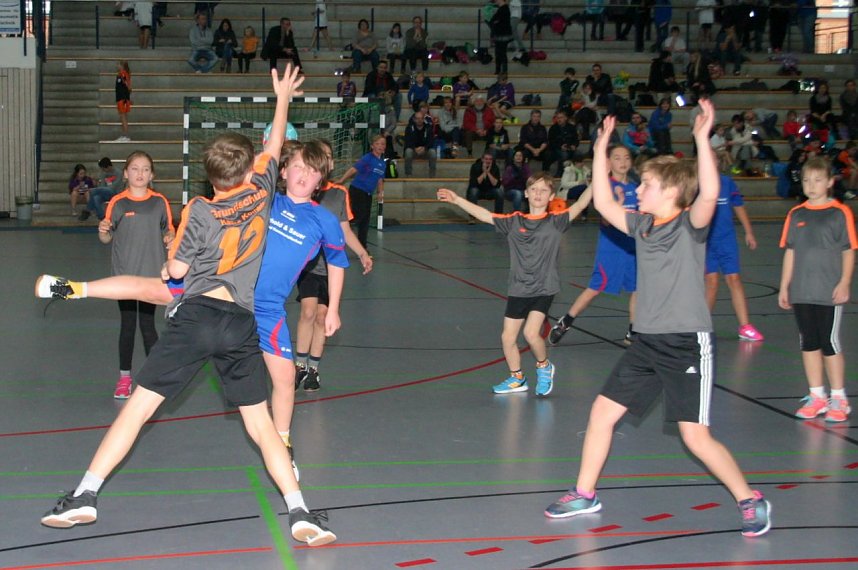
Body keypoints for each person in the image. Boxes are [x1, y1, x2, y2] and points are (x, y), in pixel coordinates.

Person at [39, 65, 339, 547]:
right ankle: (300, 512)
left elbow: (175, 272)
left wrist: (172, 265)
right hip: (240, 324)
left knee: (136, 410)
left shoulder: (198, 210)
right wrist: (281, 98)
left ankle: (84, 495)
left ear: (212, 176)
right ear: (249, 171)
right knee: (262, 428)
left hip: (196, 315)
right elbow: (275, 143)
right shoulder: (263, 192)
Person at [544, 100, 772, 539]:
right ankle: (585, 493)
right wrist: (599, 149)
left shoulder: (691, 224)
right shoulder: (642, 225)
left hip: (686, 343)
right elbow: (607, 205)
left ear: (671, 192)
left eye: (646, 184)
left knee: (695, 437)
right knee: (601, 413)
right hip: (646, 343)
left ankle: (751, 499)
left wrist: (702, 140)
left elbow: (707, 193)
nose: (639, 191)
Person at [437, 173, 592, 396]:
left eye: (544, 190)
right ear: (526, 194)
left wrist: (598, 179)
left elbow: (582, 203)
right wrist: (457, 200)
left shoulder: (556, 222)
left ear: (551, 196)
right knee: (507, 338)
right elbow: (485, 215)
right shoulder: (514, 221)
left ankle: (544, 366)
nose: (538, 194)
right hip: (519, 288)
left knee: (530, 333)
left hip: (544, 288)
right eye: (534, 190)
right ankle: (517, 378)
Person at [779, 156, 856, 423]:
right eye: (807, 180)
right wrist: (784, 286)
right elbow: (790, 251)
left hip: (828, 291)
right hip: (802, 290)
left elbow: (848, 251)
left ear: (830, 182)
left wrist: (844, 282)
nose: (812, 186)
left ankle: (839, 398)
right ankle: (817, 396)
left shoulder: (839, 212)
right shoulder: (796, 214)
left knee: (829, 343)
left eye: (818, 180)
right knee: (808, 342)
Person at [294, 141, 373, 392]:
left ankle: (313, 370)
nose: (326, 160)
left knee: (321, 317)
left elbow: (344, 229)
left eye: (329, 156)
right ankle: (299, 366)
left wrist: (362, 252)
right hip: (307, 264)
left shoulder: (339, 192)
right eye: (321, 156)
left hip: (330, 268)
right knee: (307, 311)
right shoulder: (305, 189)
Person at [99, 151, 173, 399]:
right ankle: (124, 378)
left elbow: (169, 232)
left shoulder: (160, 202)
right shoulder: (118, 203)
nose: (140, 173)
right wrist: (103, 231)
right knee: (128, 326)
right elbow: (106, 238)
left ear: (152, 175)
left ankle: (153, 379)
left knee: (148, 326)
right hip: (125, 277)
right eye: (134, 168)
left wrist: (170, 238)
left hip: (152, 276)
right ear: (126, 173)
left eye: (145, 169)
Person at [549, 144, 638, 345]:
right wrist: (621, 206)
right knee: (596, 287)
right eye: (617, 158)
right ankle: (567, 320)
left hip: (632, 248)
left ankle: (633, 331)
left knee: (637, 288)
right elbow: (607, 219)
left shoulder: (634, 188)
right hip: (612, 247)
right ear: (608, 162)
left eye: (626, 158)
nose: (622, 162)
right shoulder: (605, 187)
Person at [705, 173, 764, 341]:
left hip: (726, 239)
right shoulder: (697, 182)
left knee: (734, 279)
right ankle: (702, 326)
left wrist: (749, 232)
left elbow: (738, 205)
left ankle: (745, 326)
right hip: (706, 241)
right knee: (711, 282)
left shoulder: (726, 182)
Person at [335, 134, 386, 248]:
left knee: (365, 221)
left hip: (368, 193)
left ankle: (363, 247)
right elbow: (354, 169)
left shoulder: (382, 163)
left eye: (382, 144)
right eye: (377, 144)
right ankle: (340, 227)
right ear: (372, 146)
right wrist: (342, 180)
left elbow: (380, 179)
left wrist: (380, 192)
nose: (380, 146)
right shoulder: (368, 158)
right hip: (358, 190)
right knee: (359, 215)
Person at [80, 157, 126, 221]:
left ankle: (87, 209)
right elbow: (102, 185)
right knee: (96, 197)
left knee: (105, 190)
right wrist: (101, 189)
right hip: (104, 193)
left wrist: (99, 189)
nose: (103, 170)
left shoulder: (119, 173)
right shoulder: (103, 173)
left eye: (104, 168)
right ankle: (102, 217)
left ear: (109, 167)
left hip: (116, 193)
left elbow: (113, 187)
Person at [403, 109, 437, 177]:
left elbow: (431, 141)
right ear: (414, 119)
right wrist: (414, 148)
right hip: (413, 151)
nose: (419, 120)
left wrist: (424, 148)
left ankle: (432, 176)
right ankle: (408, 174)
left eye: (421, 118)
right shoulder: (409, 128)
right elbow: (407, 141)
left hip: (425, 151)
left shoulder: (428, 127)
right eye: (417, 118)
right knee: (408, 152)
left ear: (423, 119)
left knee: (433, 152)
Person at [547, 110, 579, 176]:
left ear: (565, 118)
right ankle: (560, 173)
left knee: (578, 154)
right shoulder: (553, 128)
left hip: (570, 147)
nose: (559, 119)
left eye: (561, 117)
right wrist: (560, 146)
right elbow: (551, 142)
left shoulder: (571, 127)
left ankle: (577, 173)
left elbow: (576, 139)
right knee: (564, 154)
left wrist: (574, 145)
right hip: (557, 148)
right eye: (558, 118)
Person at [489, 0, 513, 75]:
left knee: (501, 53)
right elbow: (493, 21)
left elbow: (495, 21)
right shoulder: (502, 9)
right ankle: (499, 70)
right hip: (500, 34)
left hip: (502, 34)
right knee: (499, 53)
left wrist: (495, 23)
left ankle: (502, 71)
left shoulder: (504, 9)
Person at [114, 60, 132, 142]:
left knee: (123, 117)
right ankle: (124, 135)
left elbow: (128, 87)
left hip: (123, 99)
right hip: (120, 99)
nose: (117, 66)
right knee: (122, 117)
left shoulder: (123, 74)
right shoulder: (120, 74)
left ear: (122, 66)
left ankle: (126, 136)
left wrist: (127, 98)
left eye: (118, 64)